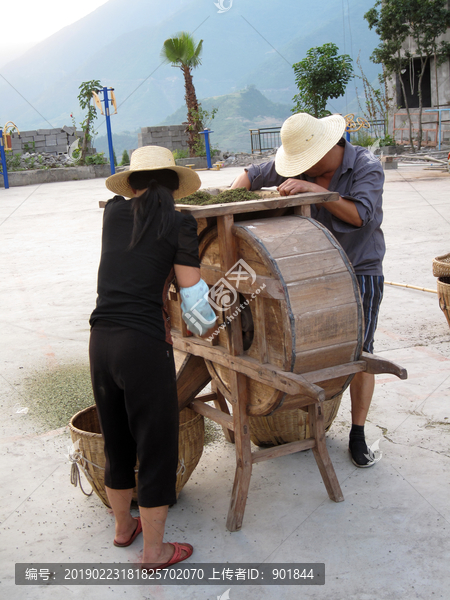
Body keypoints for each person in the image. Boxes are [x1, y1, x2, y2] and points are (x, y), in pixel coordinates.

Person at [231, 112, 385, 468]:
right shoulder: (298, 166)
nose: (299, 171)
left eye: (305, 165)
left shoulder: (366, 165)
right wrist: (229, 199)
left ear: (325, 148)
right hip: (307, 271)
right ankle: (301, 418)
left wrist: (316, 191)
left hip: (358, 271)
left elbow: (362, 216)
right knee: (305, 347)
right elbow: (252, 175)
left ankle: (358, 433)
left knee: (360, 353)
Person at [89, 145, 216, 568]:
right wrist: (216, 323)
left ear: (135, 184)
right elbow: (195, 303)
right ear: (175, 186)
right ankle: (154, 552)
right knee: (157, 447)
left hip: (101, 341)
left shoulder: (113, 215)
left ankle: (124, 529)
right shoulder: (180, 222)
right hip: (143, 345)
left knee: (117, 439)